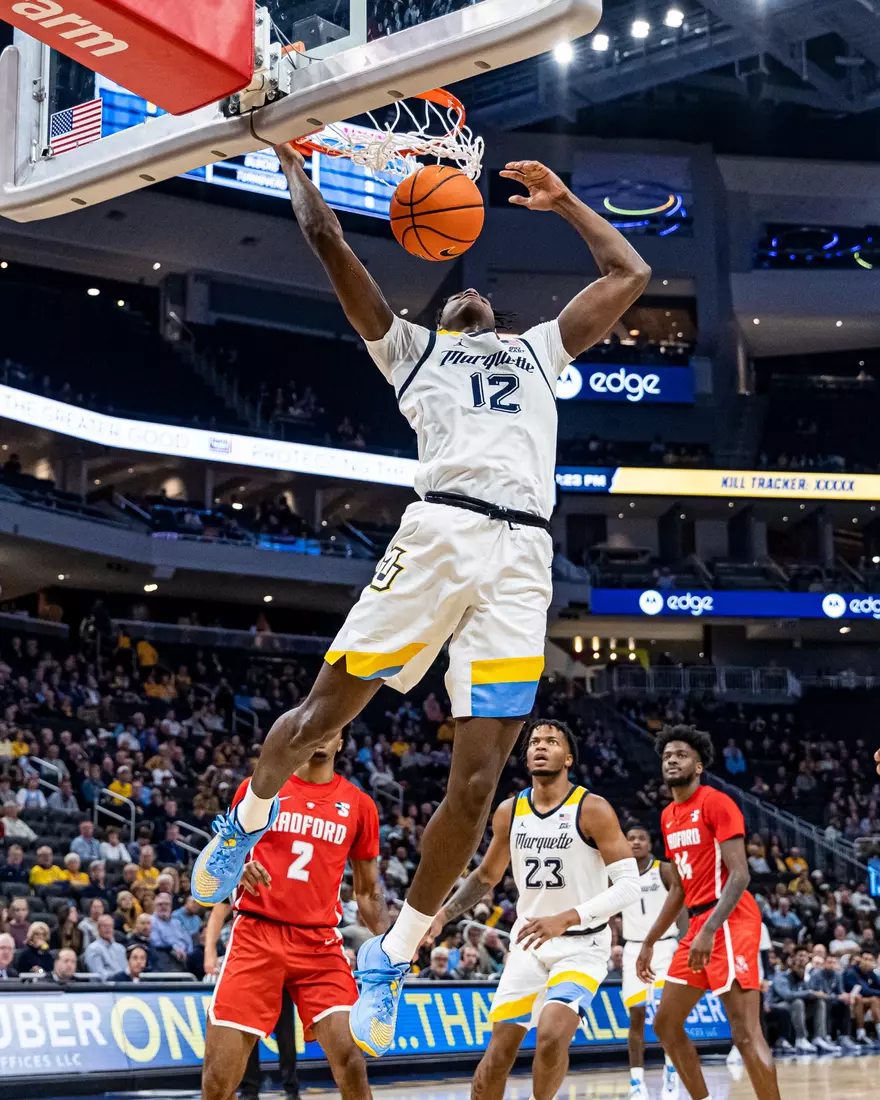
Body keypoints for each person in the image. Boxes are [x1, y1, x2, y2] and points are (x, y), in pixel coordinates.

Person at [192, 149, 651, 1056]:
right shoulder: (412, 353)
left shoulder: (538, 350)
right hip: (439, 535)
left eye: (476, 301)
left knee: (477, 782)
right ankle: (244, 822)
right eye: (451, 300)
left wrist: (563, 203)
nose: (466, 299)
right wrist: (296, 167)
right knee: (327, 712)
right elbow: (328, 243)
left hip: (523, 558)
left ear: (499, 319)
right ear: (437, 318)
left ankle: (394, 955)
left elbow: (630, 272)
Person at [425, 720, 638, 1100]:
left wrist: (567, 918)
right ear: (526, 757)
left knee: (553, 1035)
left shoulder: (593, 809)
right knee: (497, 1057)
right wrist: (444, 913)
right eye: (535, 742)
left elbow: (628, 886)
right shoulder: (510, 811)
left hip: (581, 947)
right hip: (528, 946)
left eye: (552, 742)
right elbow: (487, 876)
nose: (541, 746)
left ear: (568, 757)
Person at [201, 732, 389, 1100]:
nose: (324, 733)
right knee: (218, 1078)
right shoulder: (261, 787)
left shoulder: (360, 805)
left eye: (334, 728)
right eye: (320, 723)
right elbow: (220, 859)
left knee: (352, 1060)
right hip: (256, 933)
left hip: (319, 943)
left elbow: (367, 893)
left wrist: (391, 945)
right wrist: (239, 868)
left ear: (340, 744)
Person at [636, 726, 781, 1100]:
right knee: (667, 1025)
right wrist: (650, 941)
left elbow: (741, 874)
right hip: (698, 923)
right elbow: (679, 889)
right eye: (667, 755)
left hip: (728, 919)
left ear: (698, 766)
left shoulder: (716, 802)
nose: (671, 759)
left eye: (681, 755)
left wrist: (709, 929)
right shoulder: (668, 815)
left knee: (745, 1031)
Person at [621, 825, 684, 1100]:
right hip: (632, 950)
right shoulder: (618, 874)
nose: (635, 842)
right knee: (636, 1016)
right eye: (631, 838)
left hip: (665, 947)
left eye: (641, 838)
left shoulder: (665, 870)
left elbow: (682, 904)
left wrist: (685, 941)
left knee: (665, 1017)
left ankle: (671, 1071)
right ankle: (637, 1082)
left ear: (649, 844)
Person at [768, 947, 836, 1053]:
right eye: (800, 956)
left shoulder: (804, 977)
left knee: (819, 1002)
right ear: (793, 959)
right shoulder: (782, 976)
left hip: (796, 1009)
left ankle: (818, 1037)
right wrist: (809, 993)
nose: (802, 959)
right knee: (798, 1002)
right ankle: (801, 1039)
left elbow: (810, 993)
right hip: (777, 1006)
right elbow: (786, 995)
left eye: (804, 956)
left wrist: (818, 995)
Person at [809, 954, 859, 1051]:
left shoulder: (838, 975)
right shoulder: (816, 974)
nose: (832, 965)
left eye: (834, 962)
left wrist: (846, 996)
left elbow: (840, 991)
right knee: (825, 1002)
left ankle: (844, 1037)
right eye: (829, 962)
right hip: (818, 1002)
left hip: (833, 1000)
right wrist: (838, 997)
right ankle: (826, 1036)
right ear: (824, 964)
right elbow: (820, 994)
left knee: (845, 1003)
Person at [843, 948, 880, 1045]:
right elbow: (864, 990)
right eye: (865, 959)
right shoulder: (851, 972)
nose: (867, 962)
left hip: (863, 1001)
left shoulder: (870, 973)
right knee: (870, 999)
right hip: (848, 1001)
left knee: (874, 999)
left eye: (870, 960)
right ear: (860, 959)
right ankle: (861, 1034)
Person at [84, 914, 127, 979]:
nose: (108, 928)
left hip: (123, 986)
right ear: (98, 928)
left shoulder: (121, 948)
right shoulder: (93, 948)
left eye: (110, 926)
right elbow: (99, 974)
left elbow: (126, 970)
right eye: (104, 926)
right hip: (104, 987)